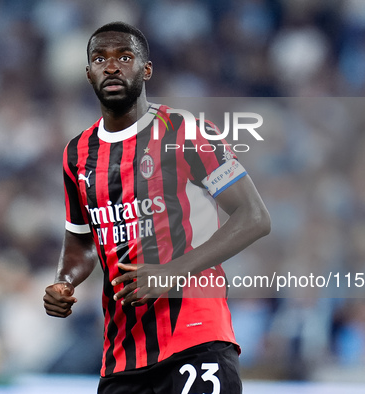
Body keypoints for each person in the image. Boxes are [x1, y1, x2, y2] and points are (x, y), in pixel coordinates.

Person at [44, 21, 270, 394]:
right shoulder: (76, 154)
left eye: (125, 56)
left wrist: (173, 271)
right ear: (88, 74)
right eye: (100, 58)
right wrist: (64, 281)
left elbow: (254, 217)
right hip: (123, 356)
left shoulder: (187, 131)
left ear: (146, 69)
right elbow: (82, 239)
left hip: (197, 340)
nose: (112, 66)